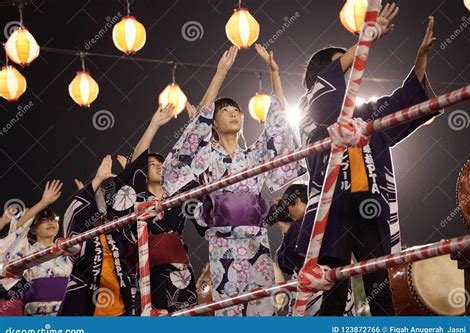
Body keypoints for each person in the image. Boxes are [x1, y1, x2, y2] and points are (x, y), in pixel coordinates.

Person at [297, 8, 441, 316]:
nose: (351, 74)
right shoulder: (311, 112)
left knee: (380, 288)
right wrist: (365, 40)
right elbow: (324, 96)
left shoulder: (365, 115)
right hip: (332, 208)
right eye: (344, 68)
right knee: (331, 293)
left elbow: (403, 100)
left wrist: (421, 58)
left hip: (369, 206)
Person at [162, 44, 306, 316]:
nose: (233, 113)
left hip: (256, 238)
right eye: (225, 110)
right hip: (223, 239)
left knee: (262, 307)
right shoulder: (207, 155)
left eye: (236, 110)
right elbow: (196, 129)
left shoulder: (253, 155)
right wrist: (221, 72)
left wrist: (274, 73)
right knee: (229, 311)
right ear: (213, 123)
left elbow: (277, 126)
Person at [127, 103, 199, 314]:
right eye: (152, 164)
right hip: (150, 270)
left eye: (162, 164)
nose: (159, 166)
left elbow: (192, 163)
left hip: (181, 269)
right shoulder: (138, 197)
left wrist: (195, 128)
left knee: (186, 321)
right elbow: (134, 164)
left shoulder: (176, 195)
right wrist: (153, 125)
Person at [59, 156, 139, 316]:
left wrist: (130, 180)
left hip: (121, 311)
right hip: (87, 312)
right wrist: (98, 179)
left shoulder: (118, 234)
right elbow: (74, 217)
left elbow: (136, 211)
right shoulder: (83, 240)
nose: (100, 204)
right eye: (95, 198)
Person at [274, 183, 354, 316]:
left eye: (287, 208)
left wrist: (285, 230)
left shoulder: (298, 225)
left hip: (313, 293)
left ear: (297, 200)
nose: (288, 213)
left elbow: (285, 264)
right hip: (341, 288)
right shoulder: (332, 218)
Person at [1, 181, 72, 316]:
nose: (51, 222)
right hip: (38, 313)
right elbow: (17, 228)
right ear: (33, 229)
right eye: (44, 220)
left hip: (67, 310)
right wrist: (43, 202)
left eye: (53, 219)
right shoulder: (27, 251)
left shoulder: (68, 249)